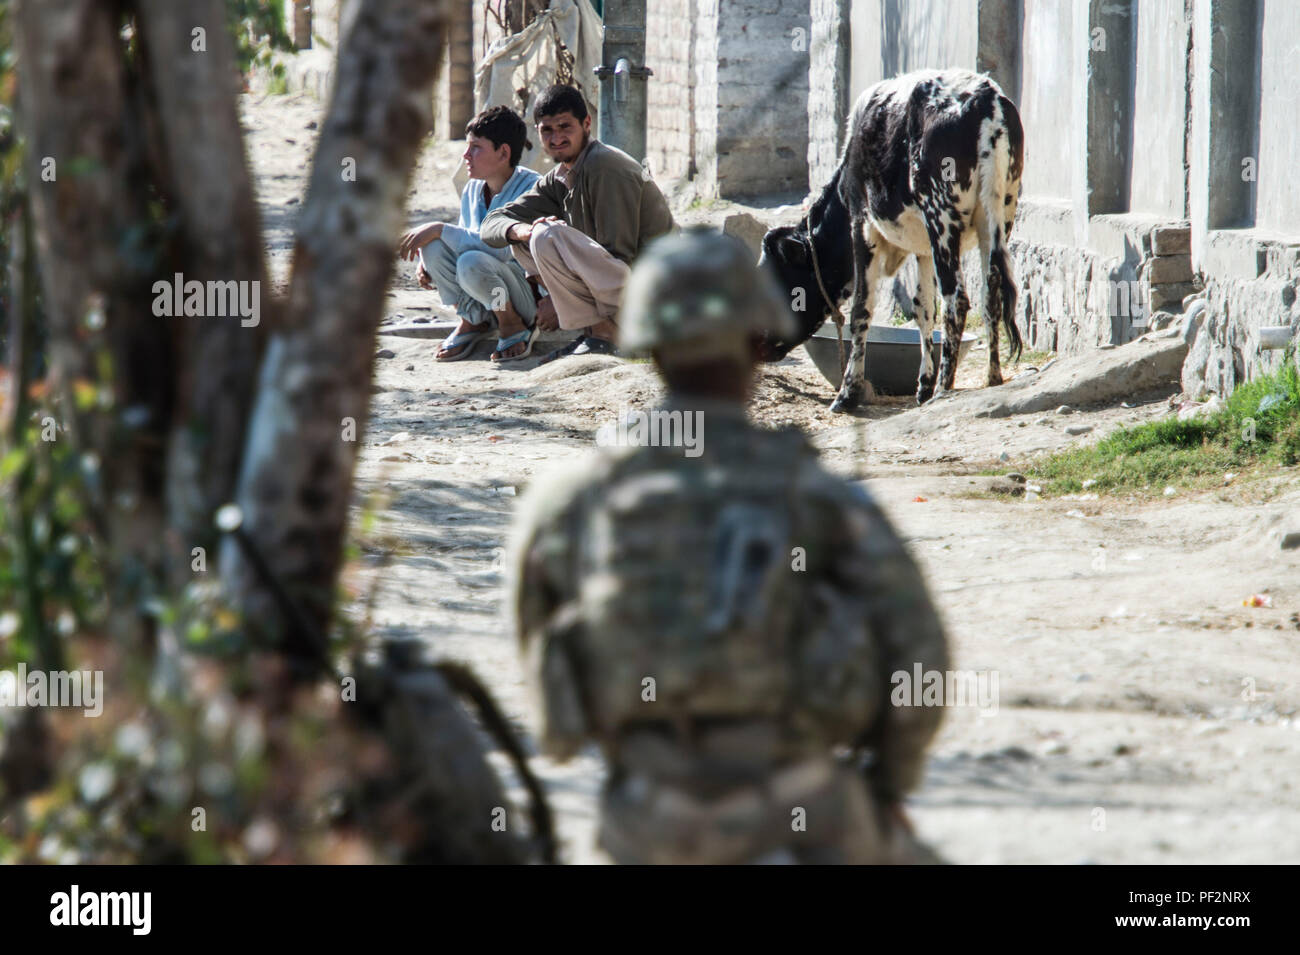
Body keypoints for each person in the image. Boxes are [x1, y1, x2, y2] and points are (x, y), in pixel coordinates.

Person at [508, 229, 950, 864]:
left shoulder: (569, 501)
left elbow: (551, 707)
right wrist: (888, 784)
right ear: (757, 346)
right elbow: (921, 659)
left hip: (647, 822)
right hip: (805, 811)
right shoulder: (820, 500)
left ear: (652, 349)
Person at [480, 84, 674, 362]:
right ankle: (599, 332)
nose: (556, 137)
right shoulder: (559, 176)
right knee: (524, 241)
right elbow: (491, 224)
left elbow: (621, 255)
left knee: (546, 235)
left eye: (565, 127)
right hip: (615, 286)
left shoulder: (606, 167)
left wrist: (560, 302)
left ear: (586, 124)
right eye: (547, 130)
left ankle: (608, 334)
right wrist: (520, 231)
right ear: (537, 133)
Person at [398, 106, 541, 362]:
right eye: (467, 146)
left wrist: (439, 229)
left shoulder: (532, 189)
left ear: (504, 152)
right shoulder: (473, 189)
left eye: (476, 147)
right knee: (433, 246)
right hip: (482, 288)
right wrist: (427, 259)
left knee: (469, 259)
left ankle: (511, 324)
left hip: (524, 297)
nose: (466, 155)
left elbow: (503, 249)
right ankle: (472, 319)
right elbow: (464, 237)